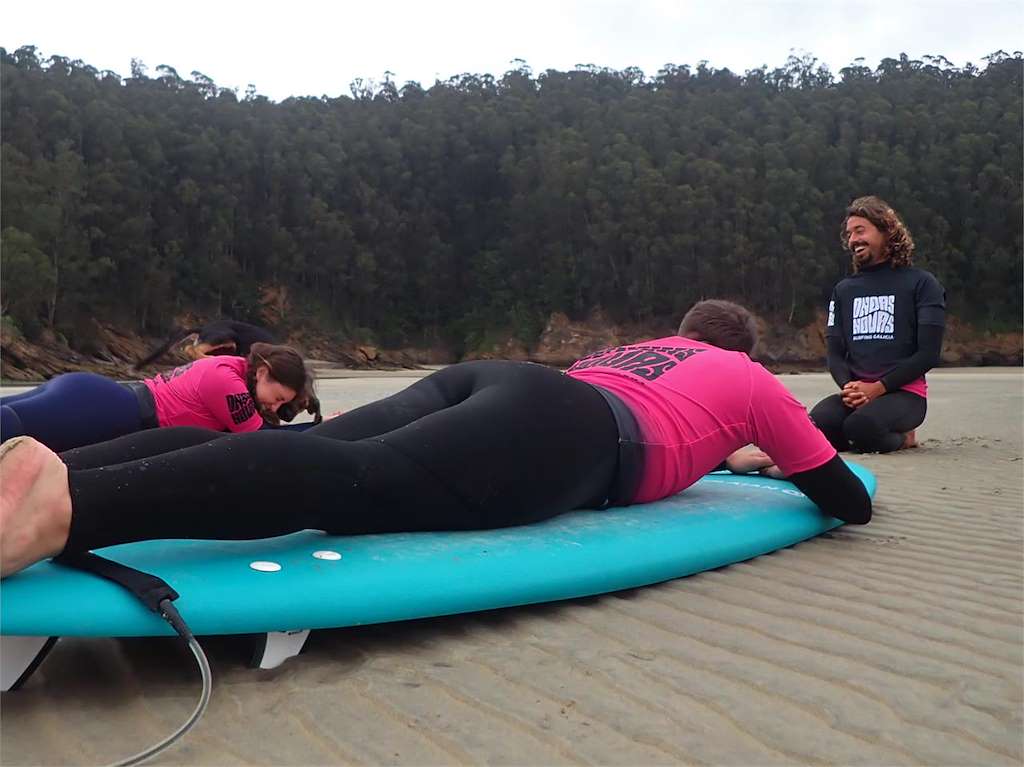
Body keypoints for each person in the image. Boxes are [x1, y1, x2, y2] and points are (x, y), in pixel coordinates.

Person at [0, 301, 872, 579]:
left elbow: (674, 419)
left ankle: (58, 469)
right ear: (742, 349)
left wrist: (724, 451)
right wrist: (772, 456)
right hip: (574, 435)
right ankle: (64, 506)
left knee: (336, 441)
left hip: (510, 381)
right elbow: (845, 498)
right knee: (351, 478)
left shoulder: (639, 350)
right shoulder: (750, 378)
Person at [810, 196, 946, 453]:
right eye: (849, 234)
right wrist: (849, 388)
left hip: (904, 394)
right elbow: (835, 351)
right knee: (816, 427)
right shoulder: (844, 290)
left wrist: (878, 388)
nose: (853, 240)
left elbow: (928, 354)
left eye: (860, 231)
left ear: (887, 231)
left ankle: (905, 437)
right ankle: (857, 430)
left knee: (862, 428)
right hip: (858, 393)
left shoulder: (922, 284)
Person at [0, 343, 317, 453]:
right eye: (276, 398)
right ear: (262, 372)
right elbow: (264, 440)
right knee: (7, 428)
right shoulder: (227, 380)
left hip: (96, 396)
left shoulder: (232, 366)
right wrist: (329, 431)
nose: (274, 407)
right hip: (108, 410)